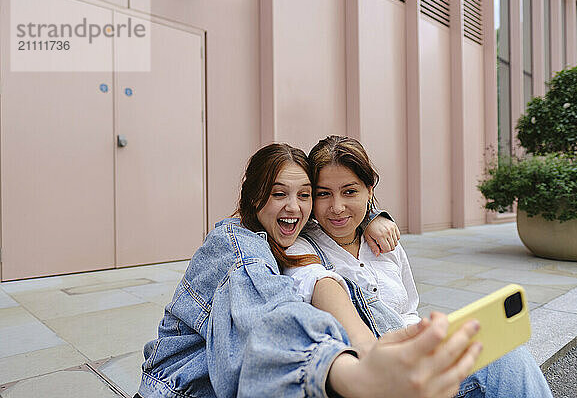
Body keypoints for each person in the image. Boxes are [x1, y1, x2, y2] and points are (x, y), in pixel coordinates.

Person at [137, 142, 483, 398]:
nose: (293, 207)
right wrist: (354, 371)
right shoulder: (238, 244)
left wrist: (374, 216)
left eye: (304, 195)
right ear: (254, 196)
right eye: (278, 193)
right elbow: (269, 315)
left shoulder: (289, 238)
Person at [284, 135, 553, 397]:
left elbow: (409, 310)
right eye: (323, 194)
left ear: (369, 191)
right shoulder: (303, 247)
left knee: (504, 352)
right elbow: (317, 283)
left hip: (418, 360)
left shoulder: (386, 244)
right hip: (371, 377)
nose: (337, 207)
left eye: (350, 191)